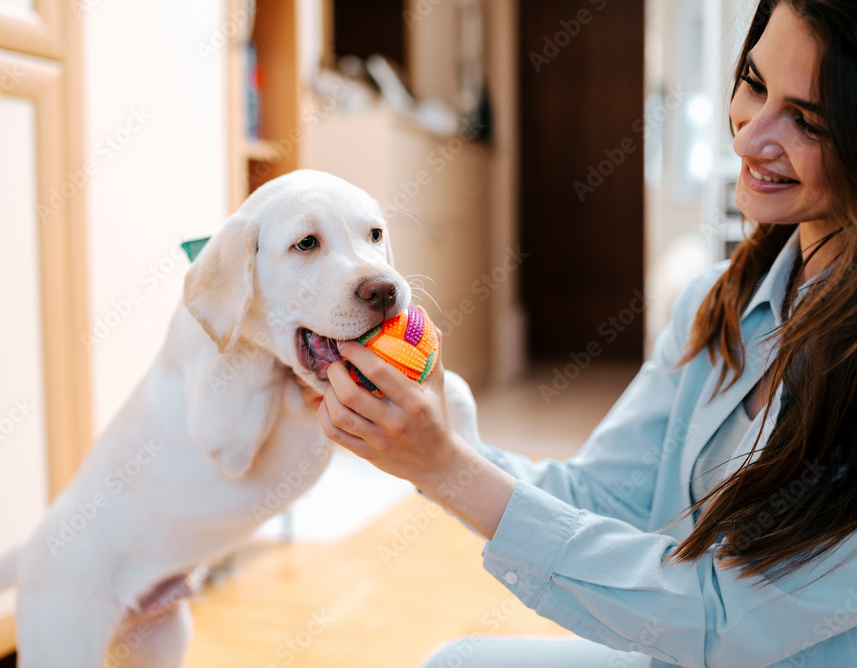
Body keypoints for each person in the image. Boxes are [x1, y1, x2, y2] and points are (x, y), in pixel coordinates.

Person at [306, 0, 857, 665]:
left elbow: (722, 623)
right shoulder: (717, 303)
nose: (746, 138)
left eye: (807, 120)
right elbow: (603, 499)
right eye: (755, 82)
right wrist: (435, 434)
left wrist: (446, 468)